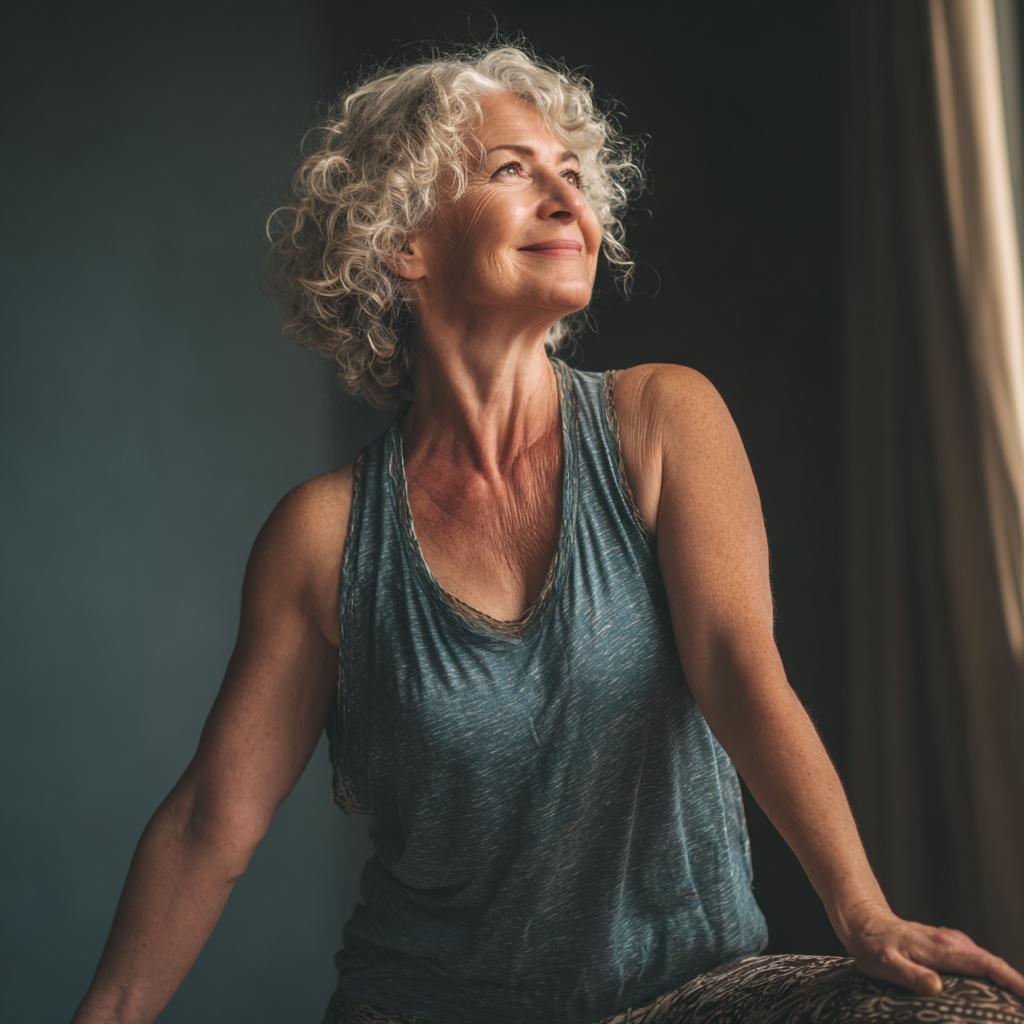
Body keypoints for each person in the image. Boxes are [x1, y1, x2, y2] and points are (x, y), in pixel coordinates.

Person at [72, 44, 1024, 1024]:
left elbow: (739, 667)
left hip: (689, 998)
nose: (568, 200)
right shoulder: (322, 537)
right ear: (404, 241)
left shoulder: (661, 420)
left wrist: (862, 912)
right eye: (513, 170)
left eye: (574, 175)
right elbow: (209, 821)